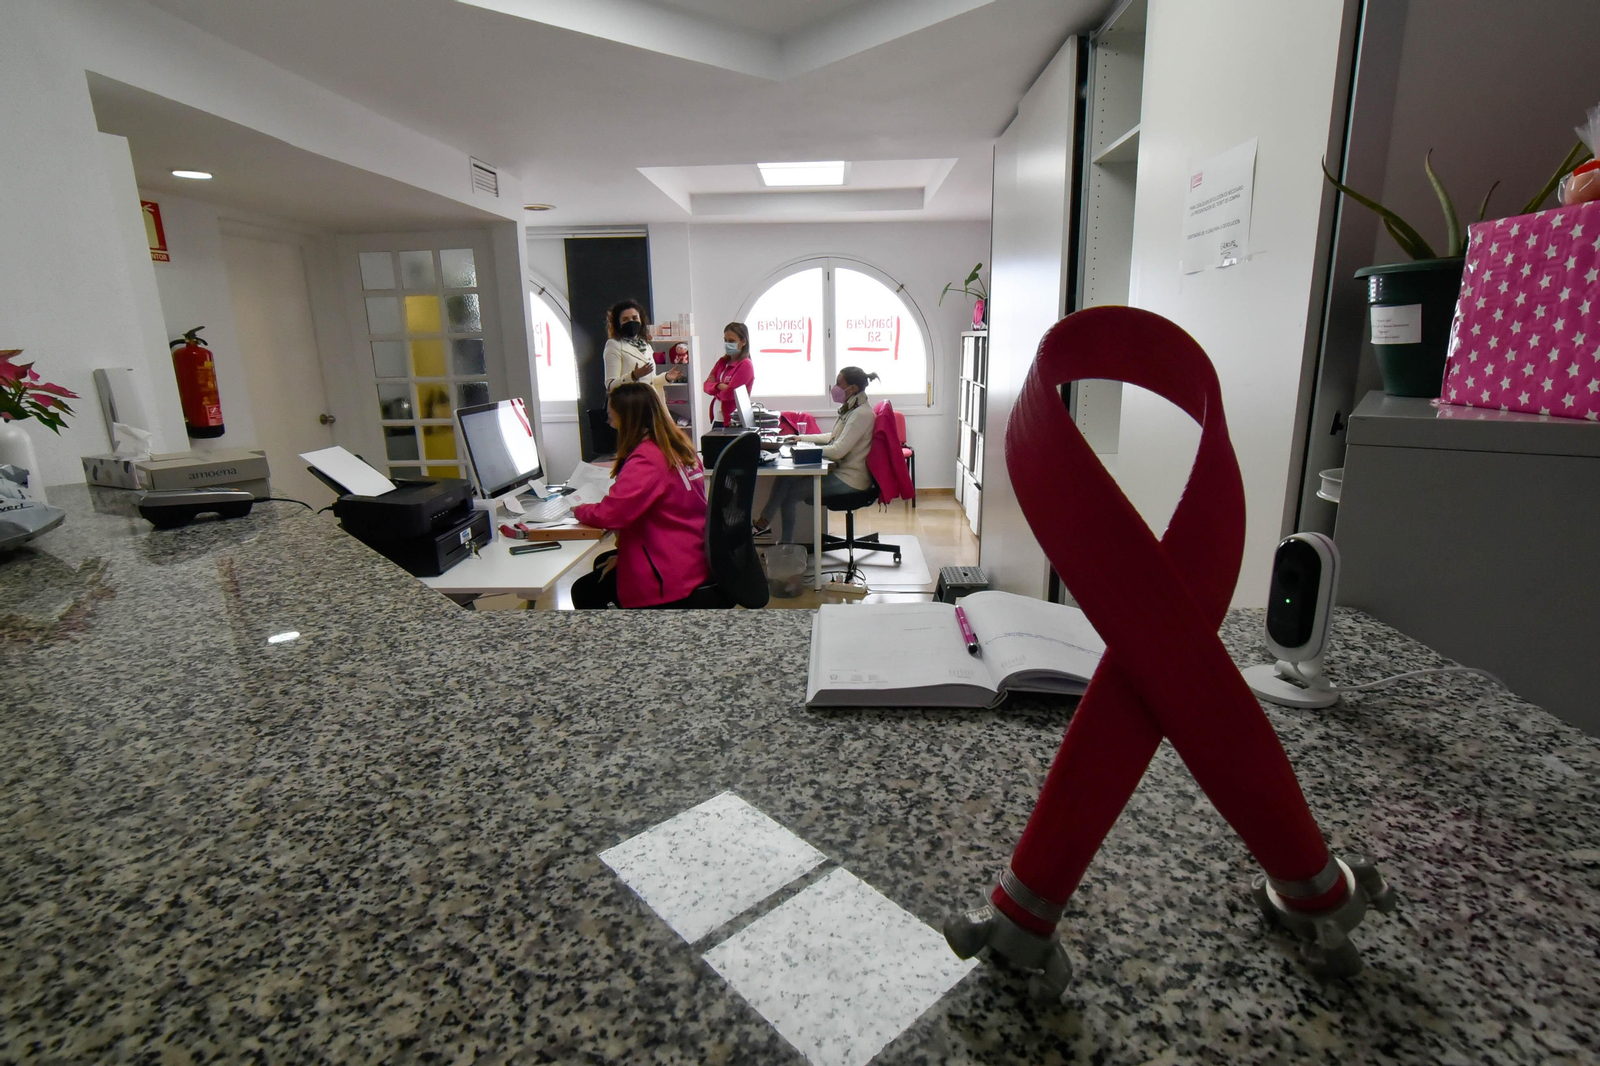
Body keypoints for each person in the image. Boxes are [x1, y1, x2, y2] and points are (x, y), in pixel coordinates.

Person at [570, 383, 710, 609]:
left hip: (667, 572)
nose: (610, 424)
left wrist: (578, 509)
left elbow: (610, 515)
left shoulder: (647, 459)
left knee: (584, 591)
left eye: (612, 418)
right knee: (602, 563)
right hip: (690, 553)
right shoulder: (678, 447)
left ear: (629, 419)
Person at [754, 366, 880, 542]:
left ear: (853, 388)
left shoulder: (861, 414)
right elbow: (833, 437)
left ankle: (786, 546)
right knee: (785, 477)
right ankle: (764, 521)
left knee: (790, 495)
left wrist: (804, 450)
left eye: (839, 384)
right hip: (841, 471)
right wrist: (800, 438)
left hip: (851, 479)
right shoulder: (851, 409)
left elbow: (837, 450)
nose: (835, 388)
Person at [602, 300, 685, 392]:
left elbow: (650, 381)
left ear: (641, 320)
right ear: (618, 323)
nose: (631, 322)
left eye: (635, 318)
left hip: (650, 398)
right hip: (630, 400)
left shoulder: (645, 345)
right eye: (625, 319)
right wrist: (633, 376)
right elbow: (611, 385)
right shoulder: (614, 345)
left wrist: (667, 377)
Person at [703, 322, 755, 427]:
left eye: (731, 341)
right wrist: (719, 386)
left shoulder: (745, 364)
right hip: (718, 419)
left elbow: (730, 394)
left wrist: (714, 389)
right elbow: (706, 386)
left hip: (733, 422)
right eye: (725, 340)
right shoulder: (722, 362)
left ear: (743, 342)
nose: (727, 344)